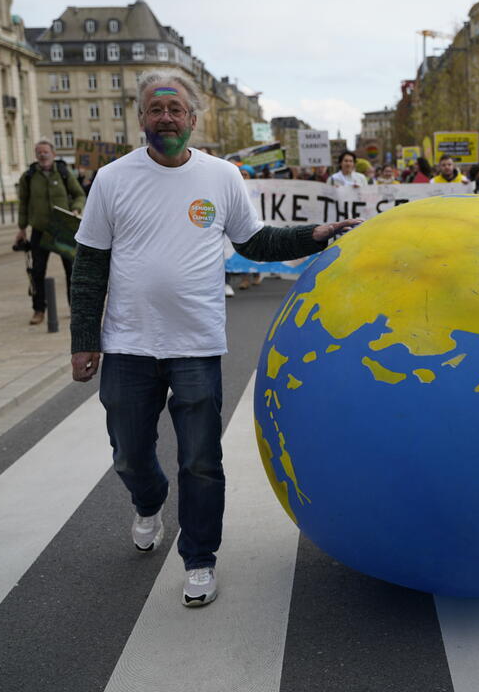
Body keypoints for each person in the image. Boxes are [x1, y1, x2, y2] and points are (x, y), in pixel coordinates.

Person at [69, 72, 359, 607]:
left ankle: (200, 557)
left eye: (176, 110)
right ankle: (150, 499)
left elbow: (255, 239)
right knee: (130, 455)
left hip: (196, 345)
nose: (166, 119)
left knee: (201, 459)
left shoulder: (221, 176)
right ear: (140, 118)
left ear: (193, 118)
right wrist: (84, 338)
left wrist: (312, 236)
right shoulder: (111, 179)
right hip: (129, 343)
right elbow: (89, 265)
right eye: (156, 110)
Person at [15, 141, 86, 325]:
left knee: (72, 271)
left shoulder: (63, 173)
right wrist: (22, 229)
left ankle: (75, 309)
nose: (42, 155)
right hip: (40, 230)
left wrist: (76, 210)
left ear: (53, 154)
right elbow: (23, 204)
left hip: (62, 229)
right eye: (39, 152)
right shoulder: (29, 177)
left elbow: (79, 195)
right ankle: (39, 310)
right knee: (37, 272)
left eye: (46, 152)